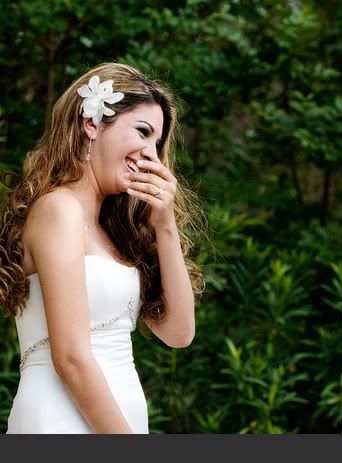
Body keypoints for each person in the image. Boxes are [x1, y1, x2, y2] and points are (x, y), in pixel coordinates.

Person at [0, 63, 204, 433]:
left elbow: (179, 333)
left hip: (116, 419)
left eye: (157, 144)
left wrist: (165, 225)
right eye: (142, 132)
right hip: (61, 418)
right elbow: (71, 359)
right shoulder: (59, 209)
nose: (150, 155)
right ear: (91, 124)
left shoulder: (114, 232)